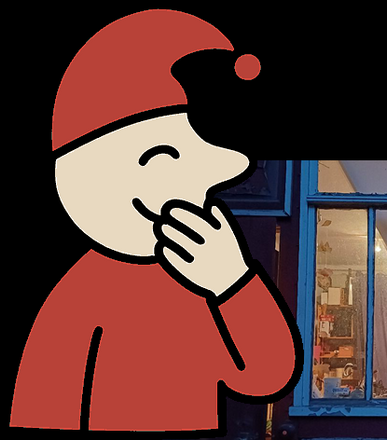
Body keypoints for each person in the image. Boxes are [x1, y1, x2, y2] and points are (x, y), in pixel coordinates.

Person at [10, 9, 300, 432]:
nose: (192, 195)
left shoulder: (194, 282)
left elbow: (266, 376)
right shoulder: (81, 295)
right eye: (162, 162)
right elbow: (44, 405)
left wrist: (233, 283)